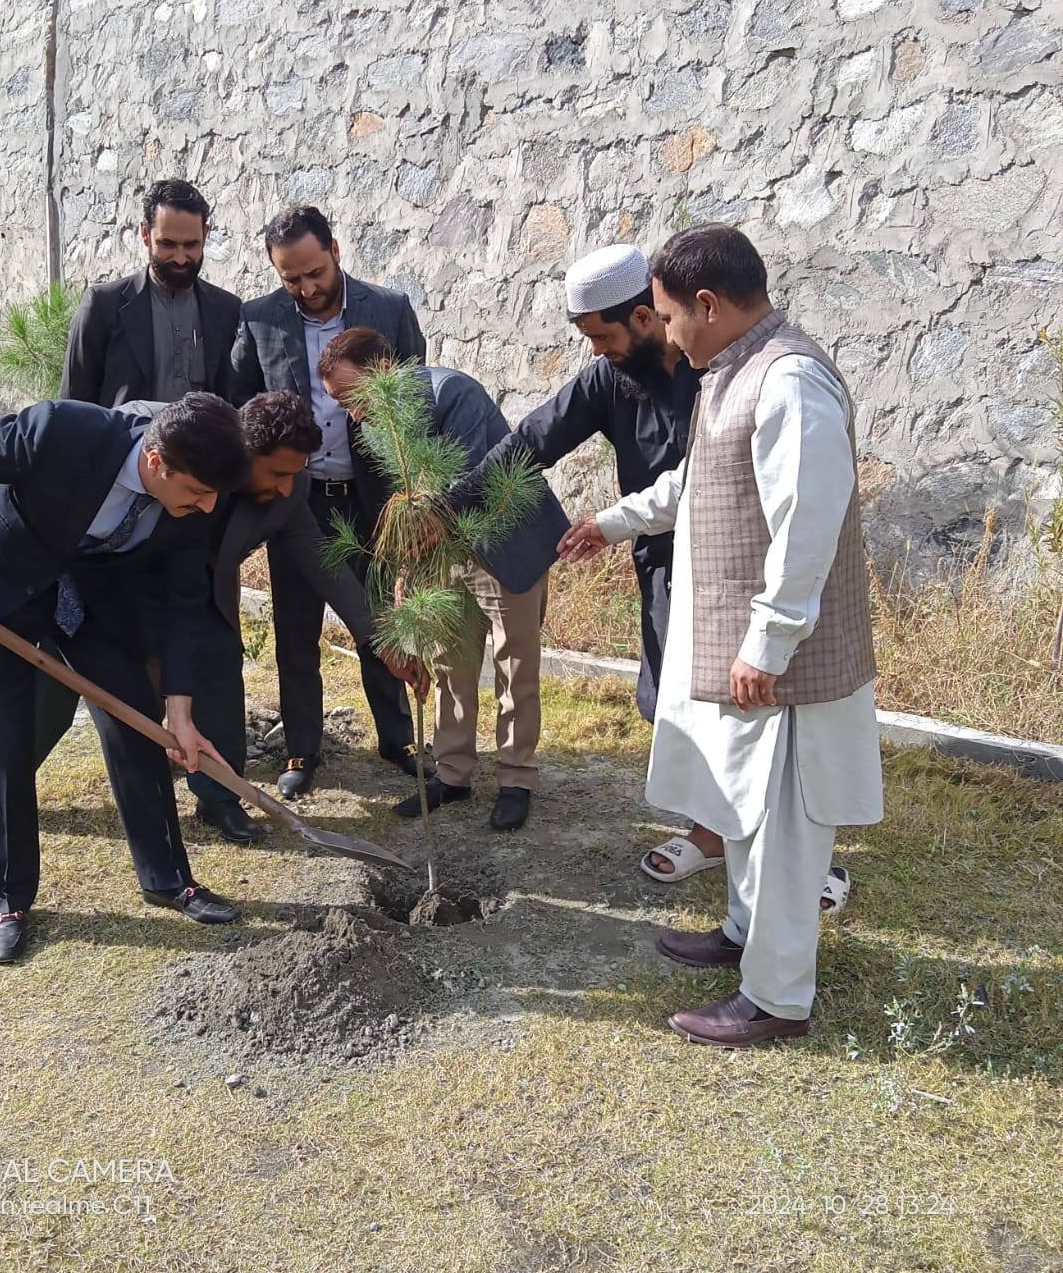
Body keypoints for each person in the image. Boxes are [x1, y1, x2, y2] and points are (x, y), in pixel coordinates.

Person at [559, 224, 882, 1048]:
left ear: (707, 304)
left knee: (782, 826)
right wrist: (613, 521)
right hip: (748, 657)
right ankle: (743, 935)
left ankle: (776, 997)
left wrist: (766, 646)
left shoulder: (790, 382)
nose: (663, 333)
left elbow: (806, 529)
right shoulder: (733, 372)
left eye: (668, 316)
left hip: (783, 667)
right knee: (743, 807)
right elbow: (695, 485)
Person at [0, 392, 252, 965]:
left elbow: (182, 600)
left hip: (92, 595)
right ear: (156, 462)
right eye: (196, 491)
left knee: (138, 723)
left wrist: (181, 709)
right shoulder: (60, 433)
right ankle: (8, 899)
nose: (208, 505)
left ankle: (167, 878)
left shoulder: (195, 496)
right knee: (8, 744)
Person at [442, 245, 722, 877]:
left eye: (603, 336)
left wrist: (610, 524)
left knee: (722, 698)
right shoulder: (610, 378)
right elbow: (533, 441)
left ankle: (726, 832)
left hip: (728, 557)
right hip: (660, 558)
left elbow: (699, 486)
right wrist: (452, 506)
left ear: (646, 319)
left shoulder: (716, 374)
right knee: (669, 696)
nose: (597, 351)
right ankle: (712, 827)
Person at [36, 390, 425, 843]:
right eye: (277, 472)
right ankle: (13, 772)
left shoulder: (288, 490)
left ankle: (218, 797)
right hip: (123, 579)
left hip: (201, 591)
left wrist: (380, 640)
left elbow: (322, 560)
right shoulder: (193, 451)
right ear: (243, 453)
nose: (285, 486)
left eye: (293, 475)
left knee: (218, 663)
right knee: (69, 693)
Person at [319, 328, 568, 831]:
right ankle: (452, 772)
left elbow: (476, 483)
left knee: (514, 663)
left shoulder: (454, 393)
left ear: (384, 372)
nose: (352, 413)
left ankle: (516, 779)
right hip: (443, 553)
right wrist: (405, 582)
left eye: (352, 396)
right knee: (449, 662)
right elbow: (408, 508)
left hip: (505, 540)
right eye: (340, 403)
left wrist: (420, 544)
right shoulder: (375, 425)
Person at [230, 205, 427, 798]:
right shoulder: (259, 319)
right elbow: (242, 405)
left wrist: (410, 491)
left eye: (314, 272)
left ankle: (397, 738)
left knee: (379, 617)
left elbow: (413, 402)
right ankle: (300, 747)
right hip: (297, 502)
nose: (306, 288)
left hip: (373, 498)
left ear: (335, 250)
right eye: (291, 278)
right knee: (295, 626)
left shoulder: (388, 310)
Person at [61, 179, 239, 406]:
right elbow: (73, 407)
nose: (180, 257)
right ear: (145, 234)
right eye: (168, 244)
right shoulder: (103, 307)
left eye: (191, 245)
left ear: (205, 234)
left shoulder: (227, 310)